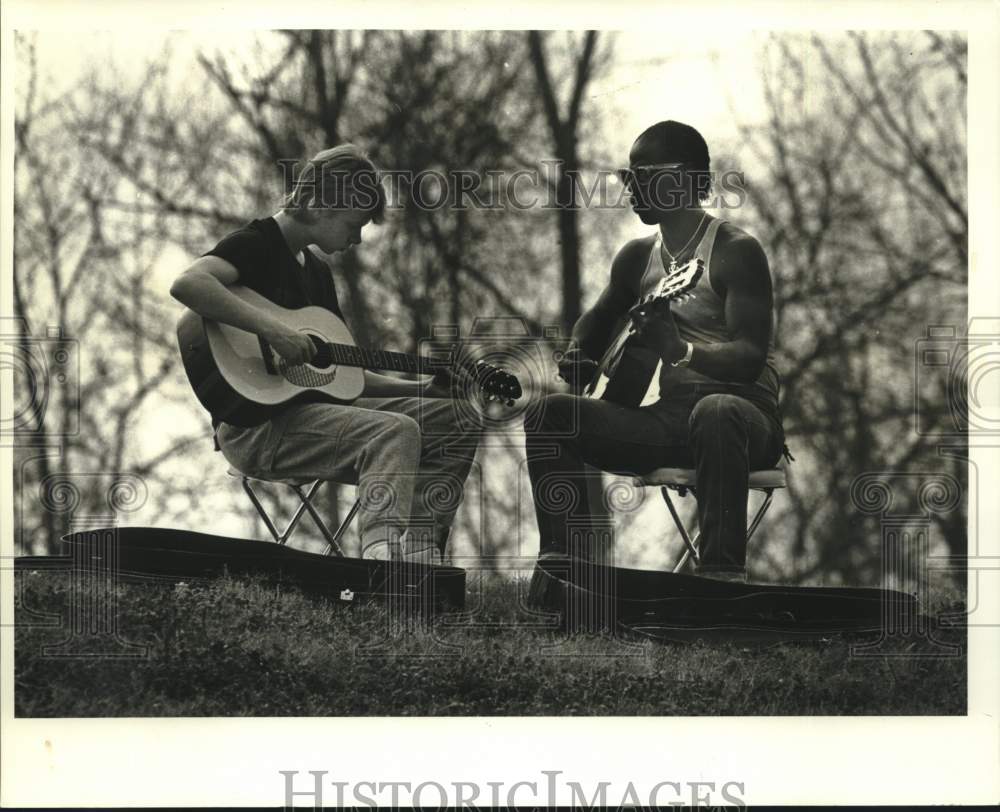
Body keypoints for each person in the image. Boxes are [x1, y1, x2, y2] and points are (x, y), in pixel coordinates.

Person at [171, 144, 481, 563]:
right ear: (323, 204)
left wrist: (424, 386)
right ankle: (382, 565)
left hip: (311, 416)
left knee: (457, 418)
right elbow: (189, 284)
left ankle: (422, 558)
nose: (357, 238)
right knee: (395, 431)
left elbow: (345, 377)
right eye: (355, 224)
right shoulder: (258, 243)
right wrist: (273, 330)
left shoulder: (317, 274)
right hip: (256, 427)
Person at [524, 120, 788, 582]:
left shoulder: (736, 251)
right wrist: (580, 351)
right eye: (627, 177)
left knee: (717, 409)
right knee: (551, 415)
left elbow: (748, 358)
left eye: (642, 175)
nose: (630, 187)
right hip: (671, 420)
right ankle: (562, 575)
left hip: (746, 421)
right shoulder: (636, 258)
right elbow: (600, 318)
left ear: (686, 179)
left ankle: (721, 582)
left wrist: (680, 350)